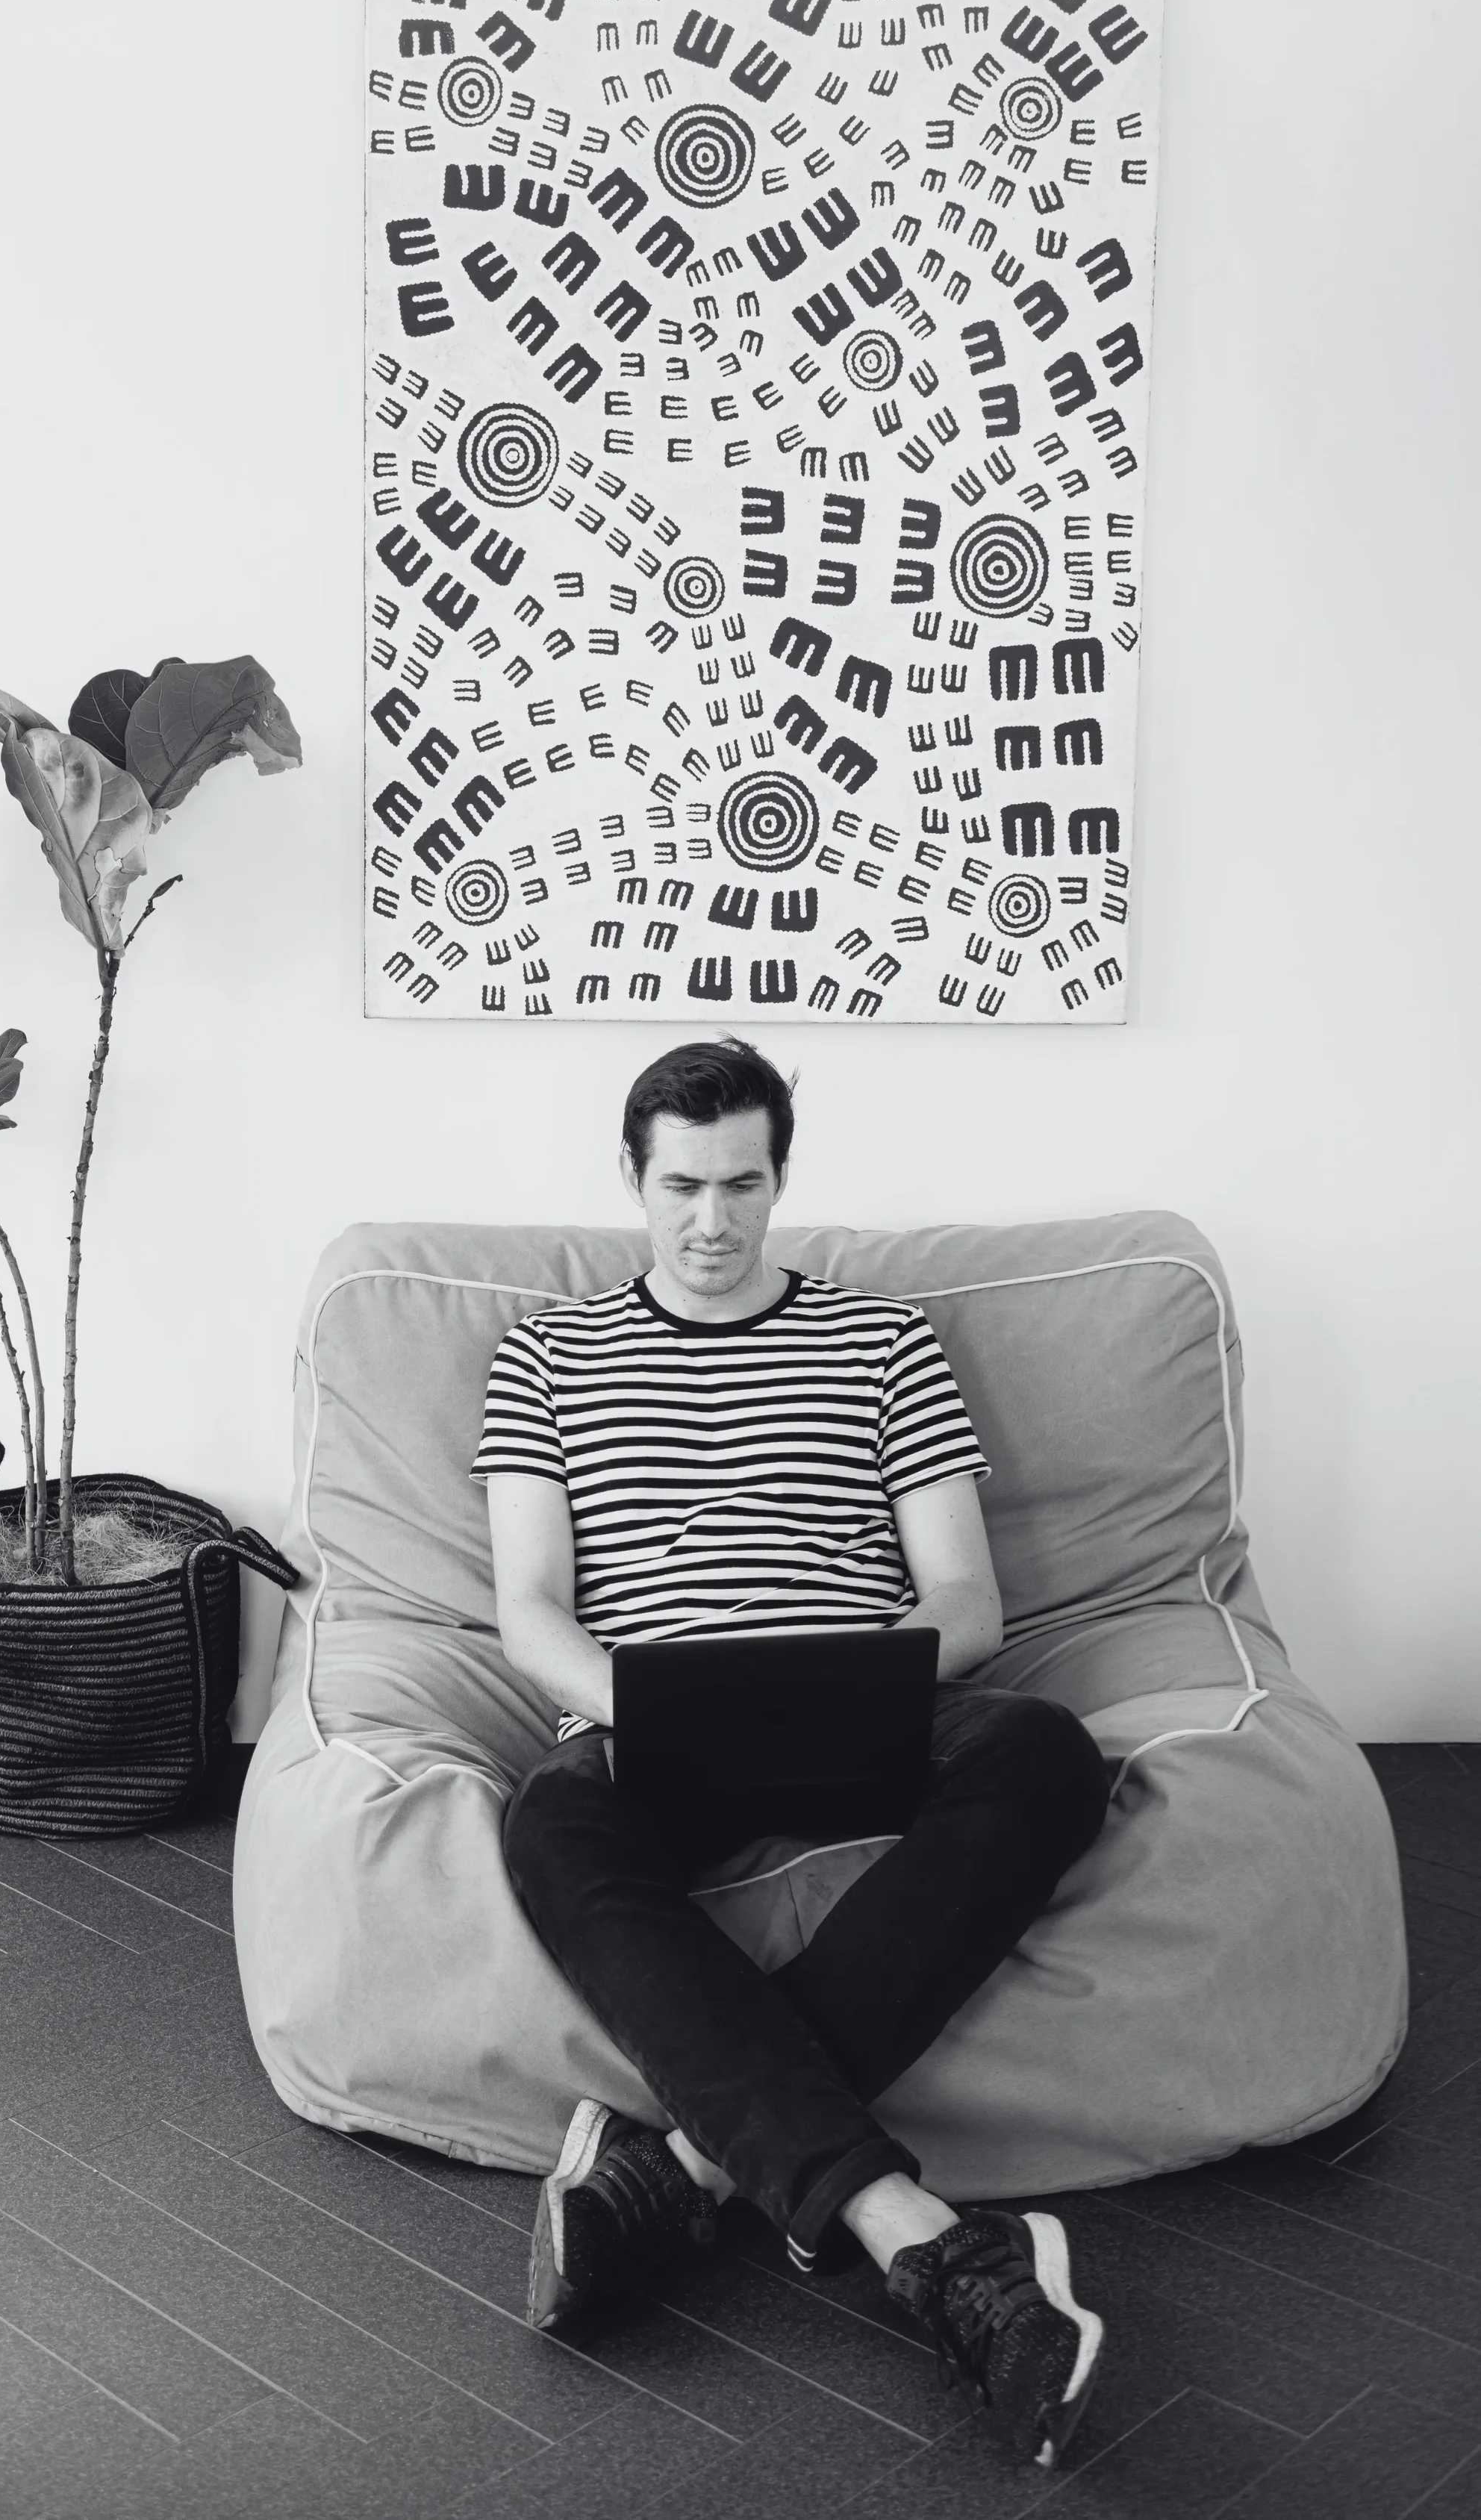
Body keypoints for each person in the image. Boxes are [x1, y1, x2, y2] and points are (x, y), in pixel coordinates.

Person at [472, 1038, 1113, 2471]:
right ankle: (924, 2241)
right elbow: (530, 1611)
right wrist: (641, 1704)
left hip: (858, 1705)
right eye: (682, 1187)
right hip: (647, 1717)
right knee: (549, 1821)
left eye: (743, 1185)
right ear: (631, 1178)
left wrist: (855, 1675)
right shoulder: (547, 1354)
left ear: (780, 1179)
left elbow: (967, 1601)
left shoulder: (885, 1341)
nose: (713, 1221)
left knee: (1047, 1750)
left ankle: (685, 2171)